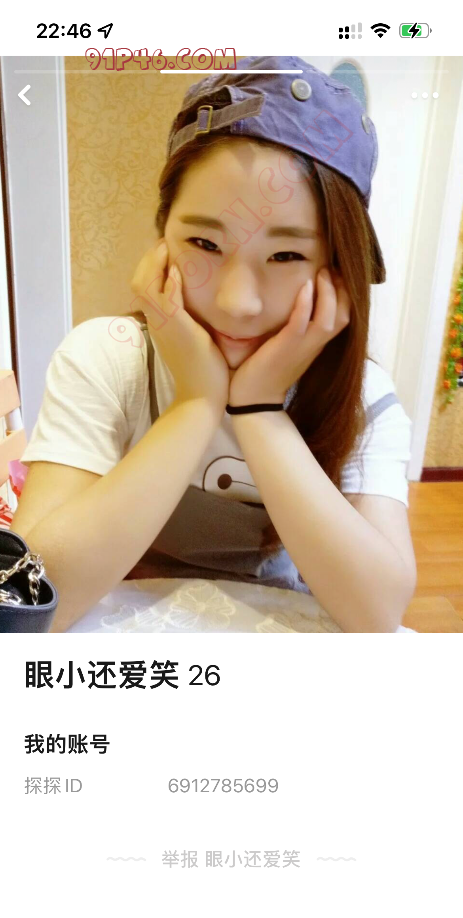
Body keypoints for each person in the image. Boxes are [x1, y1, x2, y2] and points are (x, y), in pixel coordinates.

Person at [12, 55, 417, 632]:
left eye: (286, 255)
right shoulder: (106, 359)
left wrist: (259, 409)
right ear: (162, 236)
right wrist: (196, 402)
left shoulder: (364, 397)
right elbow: (31, 600)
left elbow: (377, 613)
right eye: (204, 243)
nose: (236, 302)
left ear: (337, 269)